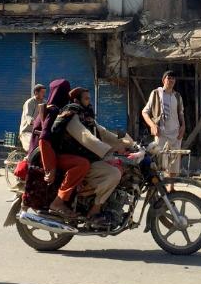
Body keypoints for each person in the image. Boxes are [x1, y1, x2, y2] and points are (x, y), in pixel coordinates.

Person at [51, 87, 133, 224]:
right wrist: (107, 149)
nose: (90, 102)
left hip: (87, 158)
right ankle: (95, 210)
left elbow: (103, 132)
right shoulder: (71, 116)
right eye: (87, 99)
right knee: (113, 174)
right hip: (74, 159)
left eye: (90, 98)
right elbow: (86, 137)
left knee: (120, 168)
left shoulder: (86, 116)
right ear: (77, 100)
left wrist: (126, 143)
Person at [34, 79, 92, 218]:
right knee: (82, 164)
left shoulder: (58, 109)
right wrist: (50, 168)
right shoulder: (53, 110)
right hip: (47, 156)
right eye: (65, 92)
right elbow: (44, 139)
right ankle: (58, 202)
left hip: (52, 153)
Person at [142, 71, 186, 178]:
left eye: (173, 79)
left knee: (174, 161)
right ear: (163, 80)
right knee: (160, 162)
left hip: (175, 133)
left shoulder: (177, 96)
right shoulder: (156, 93)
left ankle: (171, 188)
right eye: (169, 78)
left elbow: (181, 114)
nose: (171, 80)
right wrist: (152, 125)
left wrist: (183, 127)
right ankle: (160, 188)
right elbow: (144, 112)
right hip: (161, 133)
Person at [18, 83, 46, 153]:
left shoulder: (44, 103)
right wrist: (37, 123)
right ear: (36, 92)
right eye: (42, 92)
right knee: (31, 149)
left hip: (37, 132)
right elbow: (29, 118)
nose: (44, 94)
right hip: (27, 131)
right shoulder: (29, 102)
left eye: (44, 92)